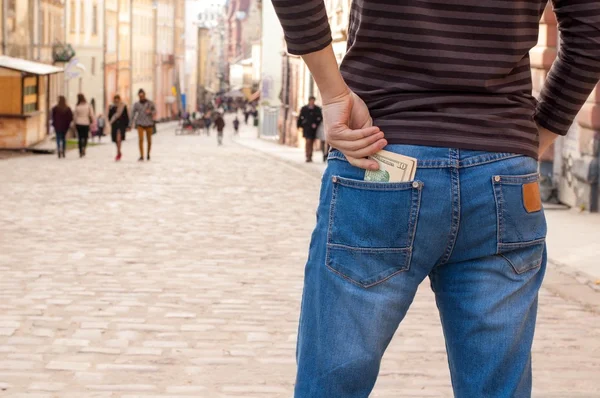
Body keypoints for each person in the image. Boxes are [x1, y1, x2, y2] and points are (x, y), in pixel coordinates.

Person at [272, 1, 600, 397]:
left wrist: (332, 91)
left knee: (332, 383)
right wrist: (532, 139)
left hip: (380, 151)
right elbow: (592, 32)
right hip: (502, 169)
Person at [129, 89, 156, 161]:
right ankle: (141, 155)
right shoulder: (136, 104)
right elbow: (133, 114)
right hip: (140, 123)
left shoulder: (150, 103)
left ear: (144, 95)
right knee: (140, 139)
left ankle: (148, 154)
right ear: (138, 96)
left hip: (149, 123)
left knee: (149, 140)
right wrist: (130, 124)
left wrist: (150, 112)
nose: (141, 97)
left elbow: (155, 110)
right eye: (140, 96)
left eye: (142, 96)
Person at [297, 96, 323, 162]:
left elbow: (320, 118)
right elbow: (300, 117)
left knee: (312, 142)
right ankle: (307, 155)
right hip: (306, 128)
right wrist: (299, 125)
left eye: (313, 101)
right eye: (311, 100)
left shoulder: (317, 109)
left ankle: (310, 155)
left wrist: (316, 124)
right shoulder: (304, 108)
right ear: (309, 101)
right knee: (308, 142)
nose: (312, 102)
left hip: (313, 129)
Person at [108, 95, 130, 161]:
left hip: (121, 125)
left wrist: (127, 126)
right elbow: (109, 116)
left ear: (119, 99)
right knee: (115, 140)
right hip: (114, 125)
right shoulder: (111, 107)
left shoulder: (123, 106)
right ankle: (119, 151)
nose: (116, 100)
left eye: (117, 99)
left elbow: (126, 116)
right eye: (115, 99)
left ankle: (118, 152)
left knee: (119, 139)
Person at [73, 93, 95, 158]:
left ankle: (80, 151)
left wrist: (74, 123)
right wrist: (93, 121)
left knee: (80, 138)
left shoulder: (77, 106)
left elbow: (75, 116)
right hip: (86, 122)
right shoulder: (88, 105)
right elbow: (91, 114)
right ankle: (84, 148)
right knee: (85, 137)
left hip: (78, 122)